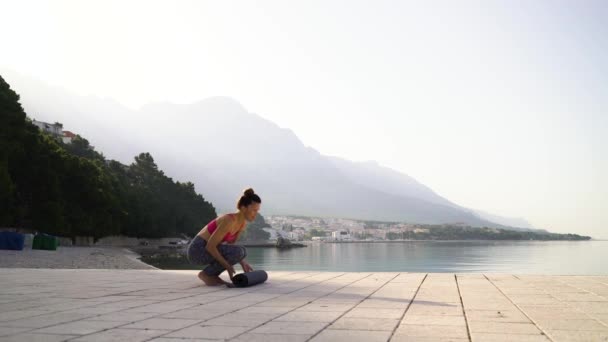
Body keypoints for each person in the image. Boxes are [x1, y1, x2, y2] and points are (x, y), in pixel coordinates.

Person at [187, 188, 261, 286]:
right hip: (197, 251)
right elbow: (210, 246)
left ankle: (211, 275)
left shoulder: (241, 224)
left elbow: (230, 248)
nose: (256, 214)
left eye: (257, 211)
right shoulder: (229, 220)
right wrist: (227, 266)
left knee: (242, 252)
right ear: (243, 208)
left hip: (207, 250)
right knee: (240, 251)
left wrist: (243, 262)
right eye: (254, 210)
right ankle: (207, 275)